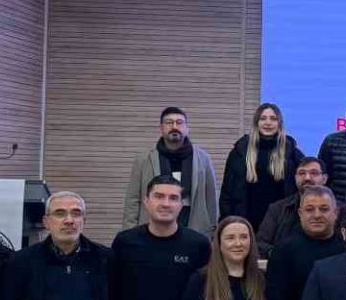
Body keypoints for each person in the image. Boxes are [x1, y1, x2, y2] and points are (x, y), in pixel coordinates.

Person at [122, 107, 219, 235]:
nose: (174, 126)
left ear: (187, 128)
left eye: (179, 123)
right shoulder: (144, 159)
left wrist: (213, 231)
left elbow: (211, 197)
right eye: (169, 122)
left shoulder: (203, 158)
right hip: (152, 229)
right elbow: (133, 199)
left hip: (193, 227)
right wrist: (130, 232)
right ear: (161, 128)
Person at [221, 102, 303, 231]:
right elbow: (227, 192)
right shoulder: (240, 151)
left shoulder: (291, 152)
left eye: (273, 119)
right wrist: (227, 222)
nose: (268, 123)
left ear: (279, 123)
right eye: (263, 118)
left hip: (281, 224)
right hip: (245, 222)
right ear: (256, 123)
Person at [256, 156, 325, 257]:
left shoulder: (340, 210)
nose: (307, 178)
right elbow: (259, 243)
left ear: (324, 179)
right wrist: (279, 254)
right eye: (302, 173)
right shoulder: (277, 209)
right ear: (295, 178)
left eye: (314, 173)